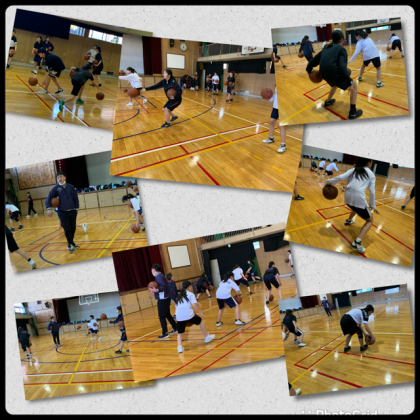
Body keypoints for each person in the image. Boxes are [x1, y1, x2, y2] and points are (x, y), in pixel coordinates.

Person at [325, 157, 378, 254]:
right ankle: (357, 242)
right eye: (371, 162)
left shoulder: (353, 169)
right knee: (370, 220)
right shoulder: (371, 174)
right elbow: (372, 191)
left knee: (355, 207)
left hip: (347, 197)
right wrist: (373, 206)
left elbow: (341, 177)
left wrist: (328, 182)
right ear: (368, 162)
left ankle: (349, 220)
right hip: (358, 198)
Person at [307, 30, 363, 120]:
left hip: (323, 74)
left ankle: (327, 102)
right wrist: (349, 83)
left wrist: (309, 71)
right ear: (341, 40)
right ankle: (353, 113)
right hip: (333, 73)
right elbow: (342, 68)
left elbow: (312, 62)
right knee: (354, 85)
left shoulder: (326, 47)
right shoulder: (341, 49)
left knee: (334, 84)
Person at [175, 280, 215, 353]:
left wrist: (176, 316)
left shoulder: (179, 295)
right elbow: (194, 305)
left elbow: (176, 307)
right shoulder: (191, 294)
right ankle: (206, 337)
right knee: (200, 321)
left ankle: (179, 347)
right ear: (189, 287)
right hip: (188, 314)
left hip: (179, 316)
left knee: (180, 333)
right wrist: (200, 312)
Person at [45, 171, 80, 254]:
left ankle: (70, 243)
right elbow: (48, 198)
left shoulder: (71, 187)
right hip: (62, 212)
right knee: (67, 229)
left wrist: (77, 208)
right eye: (58, 178)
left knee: (73, 228)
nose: (59, 178)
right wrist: (49, 209)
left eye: (61, 177)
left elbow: (75, 198)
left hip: (72, 211)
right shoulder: (55, 188)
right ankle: (71, 245)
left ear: (65, 177)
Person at [148, 264, 178, 339]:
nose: (151, 271)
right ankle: (175, 328)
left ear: (153, 270)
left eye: (151, 270)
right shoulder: (161, 275)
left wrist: (156, 290)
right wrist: (155, 291)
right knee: (167, 315)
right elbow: (161, 287)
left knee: (161, 316)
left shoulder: (159, 277)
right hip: (166, 298)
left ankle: (165, 333)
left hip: (163, 300)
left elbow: (163, 287)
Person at [262, 86, 287, 153]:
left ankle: (283, 145)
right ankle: (271, 138)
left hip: (283, 107)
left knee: (281, 125)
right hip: (275, 107)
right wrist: (269, 98)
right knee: (271, 122)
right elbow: (276, 96)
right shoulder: (277, 85)